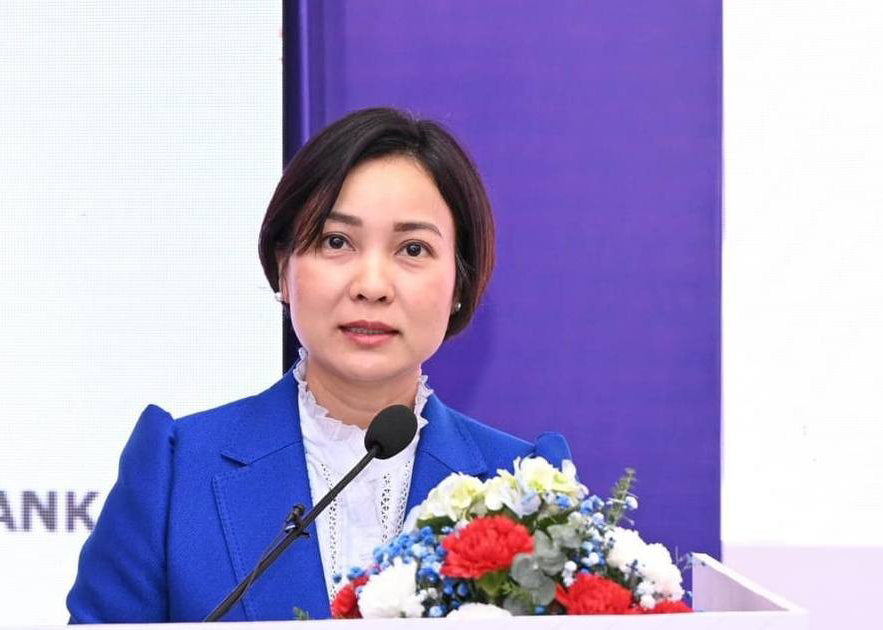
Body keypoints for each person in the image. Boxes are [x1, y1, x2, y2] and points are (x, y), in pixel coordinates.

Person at [65, 107, 571, 623]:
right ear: (283, 267)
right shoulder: (175, 473)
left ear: (460, 283)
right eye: (336, 242)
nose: (371, 285)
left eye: (413, 249)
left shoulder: (525, 487)